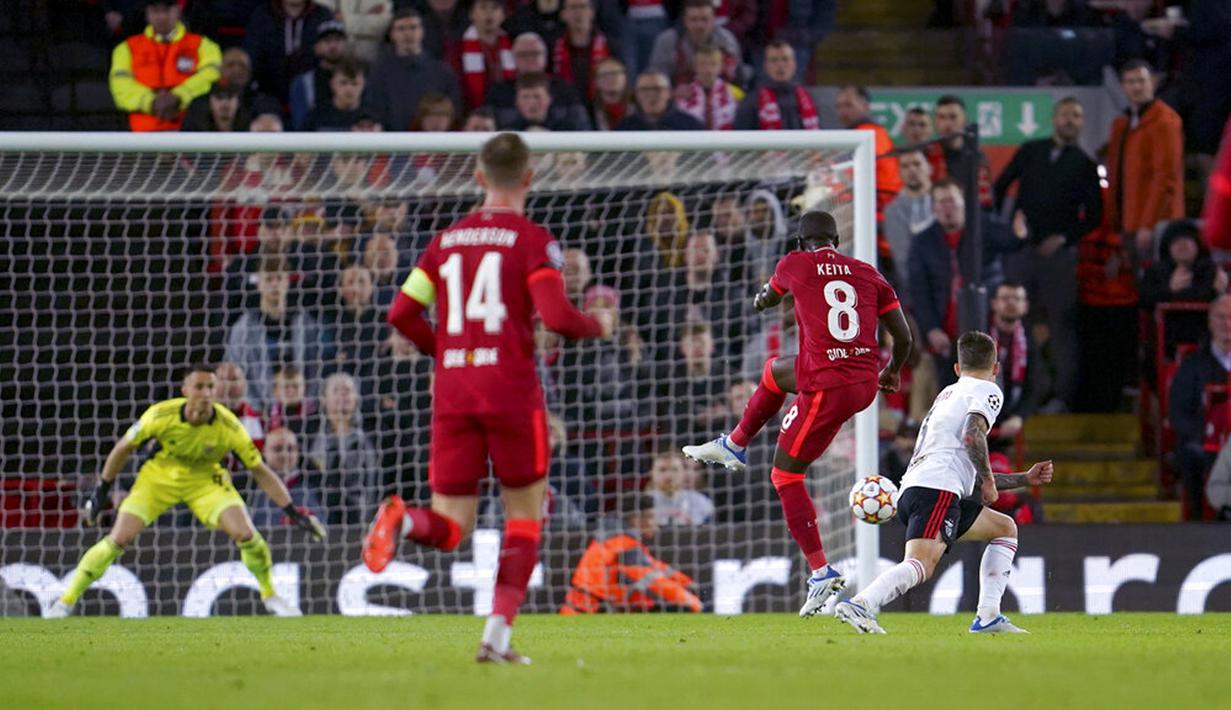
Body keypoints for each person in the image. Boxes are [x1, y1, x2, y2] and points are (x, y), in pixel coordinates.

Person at [364, 133, 607, 664]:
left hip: (454, 391)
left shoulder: (444, 241)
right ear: (528, 178)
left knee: (451, 527)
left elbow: (400, 314)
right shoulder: (531, 240)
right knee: (524, 517)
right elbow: (559, 317)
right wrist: (599, 325)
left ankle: (402, 520)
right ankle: (494, 637)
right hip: (512, 392)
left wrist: (447, 352)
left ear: (477, 177)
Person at [682, 210, 913, 618]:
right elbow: (904, 336)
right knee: (773, 371)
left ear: (800, 241)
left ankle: (822, 571)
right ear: (837, 239)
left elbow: (769, 297)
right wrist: (891, 372)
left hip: (827, 383)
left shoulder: (793, 263)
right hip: (860, 381)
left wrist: (761, 298)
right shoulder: (867, 272)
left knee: (785, 474)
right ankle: (734, 444)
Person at [45, 364, 325, 619]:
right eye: (199, 387)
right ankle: (66, 600)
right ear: (185, 390)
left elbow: (260, 470)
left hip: (205, 481)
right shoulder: (160, 414)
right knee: (118, 538)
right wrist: (101, 491)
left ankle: (270, 595)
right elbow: (122, 448)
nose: (206, 393)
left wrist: (292, 510)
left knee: (247, 534)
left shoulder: (229, 426)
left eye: (211, 388)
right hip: (158, 479)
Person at [833, 331, 1054, 635]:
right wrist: (989, 482)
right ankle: (860, 604)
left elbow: (966, 468)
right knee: (921, 564)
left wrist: (1023, 478)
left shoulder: (949, 394)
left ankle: (988, 616)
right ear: (996, 368)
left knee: (1004, 529)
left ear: (956, 368)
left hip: (922, 487)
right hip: (936, 490)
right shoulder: (988, 390)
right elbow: (972, 435)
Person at [994, 96, 1101, 410]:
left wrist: (1066, 238)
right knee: (1014, 324)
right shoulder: (1031, 150)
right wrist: (1008, 229)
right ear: (1054, 118)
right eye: (1065, 114)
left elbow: (1094, 216)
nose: (1070, 120)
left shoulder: (1084, 163)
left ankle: (1063, 397)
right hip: (1021, 251)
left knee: (1061, 326)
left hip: (1058, 257)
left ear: (1081, 123)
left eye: (1077, 116)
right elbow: (1000, 187)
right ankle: (1018, 394)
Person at [910, 178, 1028, 388]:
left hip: (986, 325)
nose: (947, 208)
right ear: (934, 208)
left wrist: (1020, 234)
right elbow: (920, 291)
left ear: (964, 202)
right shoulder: (923, 242)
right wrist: (931, 329)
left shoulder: (983, 227)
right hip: (946, 332)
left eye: (952, 201)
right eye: (941, 202)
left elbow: (1012, 241)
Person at [559, 493, 702, 614]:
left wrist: (687, 583)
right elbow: (653, 579)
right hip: (586, 615)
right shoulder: (623, 544)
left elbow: (655, 567)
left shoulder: (618, 539)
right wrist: (692, 602)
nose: (656, 523)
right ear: (636, 519)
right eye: (651, 517)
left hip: (588, 610)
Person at [1106, 60, 1185, 260]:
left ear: (1153, 83)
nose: (1136, 87)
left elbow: (1165, 177)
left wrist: (1148, 225)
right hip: (1129, 222)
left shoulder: (1165, 121)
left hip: (1155, 225)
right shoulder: (1122, 124)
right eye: (1130, 82)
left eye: (1141, 81)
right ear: (1123, 86)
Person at [109, 0, 221, 132]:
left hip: (190, 133)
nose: (162, 16)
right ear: (147, 14)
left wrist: (179, 96)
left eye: (167, 10)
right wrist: (151, 102)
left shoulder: (203, 45)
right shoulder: (126, 48)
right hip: (139, 137)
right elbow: (120, 86)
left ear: (178, 11)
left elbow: (211, 76)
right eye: (156, 11)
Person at [1168, 296, 1231, 520]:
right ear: (1210, 322)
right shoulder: (1193, 365)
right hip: (1206, 442)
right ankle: (1198, 525)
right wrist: (1206, 437)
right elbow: (1178, 413)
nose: (1227, 324)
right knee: (1190, 454)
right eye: (1221, 317)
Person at [367, 7, 461, 132]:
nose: (408, 33)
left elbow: (452, 111)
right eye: (401, 29)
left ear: (422, 31)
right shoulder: (379, 72)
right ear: (392, 34)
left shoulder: (442, 72)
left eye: (413, 27)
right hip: (393, 144)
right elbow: (374, 110)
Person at [245, 0, 336, 106]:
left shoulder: (322, 15)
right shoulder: (263, 14)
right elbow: (253, 56)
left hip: (314, 94)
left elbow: (334, 55)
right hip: (269, 94)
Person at [987, 282, 1041, 449]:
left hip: (1010, 421)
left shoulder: (1029, 342)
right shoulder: (979, 336)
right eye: (1005, 298)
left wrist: (1019, 416)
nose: (1011, 303)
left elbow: (1035, 384)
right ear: (994, 303)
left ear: (1025, 306)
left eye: (1016, 299)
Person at [647, 0, 742, 88]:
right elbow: (655, 76)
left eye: (704, 19)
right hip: (676, 97)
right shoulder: (667, 40)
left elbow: (737, 74)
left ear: (713, 20)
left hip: (719, 95)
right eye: (693, 20)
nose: (699, 25)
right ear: (684, 21)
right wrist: (672, 92)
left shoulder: (726, 40)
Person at [247, 427, 326, 528]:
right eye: (277, 449)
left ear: (298, 451)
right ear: (264, 451)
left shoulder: (317, 482)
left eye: (290, 449)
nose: (284, 454)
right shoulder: (249, 484)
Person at [733, 41, 817, 131]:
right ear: (766, 66)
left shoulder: (808, 99)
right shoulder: (751, 101)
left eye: (785, 59)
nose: (780, 65)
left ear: (794, 64)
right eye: (774, 60)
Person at [883, 149, 934, 294]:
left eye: (917, 164)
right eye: (905, 166)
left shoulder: (947, 201)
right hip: (916, 290)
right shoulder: (893, 211)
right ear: (899, 172)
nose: (912, 170)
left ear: (930, 168)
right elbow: (903, 258)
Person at [927, 95, 993, 207]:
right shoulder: (928, 156)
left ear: (964, 120)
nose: (947, 123)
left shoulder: (976, 157)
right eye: (942, 117)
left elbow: (985, 203)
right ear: (935, 122)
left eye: (953, 117)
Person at [288, 18, 351, 130]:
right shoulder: (303, 83)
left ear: (346, 45)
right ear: (317, 47)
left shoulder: (359, 80)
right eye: (327, 41)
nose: (333, 45)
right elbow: (300, 124)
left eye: (338, 40)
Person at [458, 0, 515, 111]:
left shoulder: (513, 46)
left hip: (508, 109)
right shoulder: (458, 49)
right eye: (483, 7)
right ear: (471, 14)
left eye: (495, 8)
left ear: (503, 15)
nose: (489, 13)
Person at [674, 45, 744, 131]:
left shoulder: (736, 94)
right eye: (703, 64)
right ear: (695, 67)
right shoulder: (684, 94)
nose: (708, 69)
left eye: (713, 64)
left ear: (721, 67)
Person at [615, 70, 702, 131]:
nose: (651, 94)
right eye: (644, 89)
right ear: (636, 94)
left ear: (669, 93)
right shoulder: (624, 128)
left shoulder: (691, 126)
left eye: (658, 89)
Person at [646, 449, 714, 527]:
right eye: (662, 470)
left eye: (674, 470)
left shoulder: (702, 503)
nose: (669, 475)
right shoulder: (642, 503)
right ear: (651, 474)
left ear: (683, 473)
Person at [304, 56, 373, 131]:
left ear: (364, 85)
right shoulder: (316, 117)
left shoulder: (376, 117)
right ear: (332, 84)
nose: (349, 89)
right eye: (343, 83)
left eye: (354, 83)